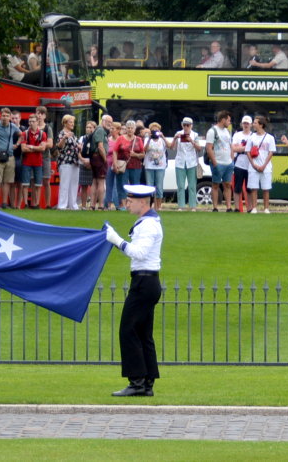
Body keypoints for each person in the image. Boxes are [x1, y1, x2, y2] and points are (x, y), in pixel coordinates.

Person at [104, 184, 163, 397]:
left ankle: (137, 381)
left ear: (143, 202)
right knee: (143, 333)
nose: (127, 203)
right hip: (147, 281)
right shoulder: (148, 222)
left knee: (128, 330)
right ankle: (147, 381)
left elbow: (138, 253)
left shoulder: (148, 225)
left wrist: (116, 240)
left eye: (130, 200)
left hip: (144, 282)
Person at [167, 117, 202, 211]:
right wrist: (175, 139)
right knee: (181, 186)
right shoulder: (178, 134)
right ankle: (181, 205)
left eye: (188, 125)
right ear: (182, 125)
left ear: (191, 126)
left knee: (192, 185)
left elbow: (199, 148)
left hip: (191, 162)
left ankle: (192, 206)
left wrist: (191, 141)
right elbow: (171, 147)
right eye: (184, 125)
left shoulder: (195, 135)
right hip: (180, 162)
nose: (186, 127)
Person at [206, 110, 234, 212]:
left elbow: (230, 145)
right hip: (218, 162)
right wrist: (215, 163)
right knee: (215, 185)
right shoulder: (212, 131)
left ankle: (229, 207)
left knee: (227, 185)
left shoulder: (227, 131)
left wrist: (232, 160)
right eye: (228, 120)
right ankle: (215, 207)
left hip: (228, 163)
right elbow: (209, 148)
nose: (229, 122)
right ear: (223, 120)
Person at [246, 116, 275, 213]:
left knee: (266, 188)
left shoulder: (270, 138)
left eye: (255, 123)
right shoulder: (251, 137)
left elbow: (271, 152)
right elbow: (247, 152)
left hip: (266, 167)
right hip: (253, 167)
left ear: (261, 125)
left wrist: (264, 165)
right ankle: (254, 208)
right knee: (254, 188)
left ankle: (266, 208)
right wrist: (253, 164)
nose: (253, 124)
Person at [54, 114, 81, 210]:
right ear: (65, 123)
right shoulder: (62, 133)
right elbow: (59, 146)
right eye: (71, 122)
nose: (73, 124)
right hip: (65, 161)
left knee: (74, 184)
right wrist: (65, 138)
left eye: (73, 122)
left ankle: (73, 205)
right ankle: (62, 205)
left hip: (75, 161)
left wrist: (79, 147)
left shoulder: (73, 135)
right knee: (65, 184)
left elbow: (76, 147)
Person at [20, 116, 47, 209]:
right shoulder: (24, 134)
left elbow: (43, 148)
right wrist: (36, 148)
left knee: (38, 184)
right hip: (26, 162)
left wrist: (30, 147)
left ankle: (37, 204)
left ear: (37, 122)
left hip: (38, 162)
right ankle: (26, 204)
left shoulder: (42, 134)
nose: (31, 123)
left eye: (33, 121)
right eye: (30, 121)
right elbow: (23, 148)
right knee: (25, 184)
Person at [230, 115, 253, 212]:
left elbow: (254, 149)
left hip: (250, 165)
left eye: (247, 123)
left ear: (251, 125)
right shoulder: (237, 135)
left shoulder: (253, 136)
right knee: (237, 187)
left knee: (249, 188)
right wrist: (246, 148)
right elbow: (233, 148)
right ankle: (237, 208)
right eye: (244, 123)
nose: (246, 125)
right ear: (241, 124)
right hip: (239, 164)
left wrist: (241, 148)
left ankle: (250, 208)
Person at [89, 115, 112, 211]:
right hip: (99, 158)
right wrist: (105, 159)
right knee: (101, 182)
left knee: (95, 181)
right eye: (108, 122)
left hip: (95, 158)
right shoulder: (100, 130)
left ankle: (92, 205)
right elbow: (100, 146)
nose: (109, 124)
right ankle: (101, 205)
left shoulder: (99, 130)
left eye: (111, 122)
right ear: (103, 121)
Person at [143, 123, 167, 211]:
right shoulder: (147, 139)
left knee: (159, 187)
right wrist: (149, 138)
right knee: (150, 186)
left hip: (160, 167)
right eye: (153, 130)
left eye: (156, 130)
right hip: (149, 166)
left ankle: (158, 206)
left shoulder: (162, 140)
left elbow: (170, 146)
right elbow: (144, 150)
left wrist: (163, 136)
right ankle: (149, 206)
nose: (155, 132)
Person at [35, 106, 55, 209]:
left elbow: (50, 144)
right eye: (37, 113)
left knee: (46, 181)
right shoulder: (32, 127)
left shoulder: (48, 128)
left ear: (44, 116)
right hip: (34, 157)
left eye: (40, 114)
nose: (38, 116)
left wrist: (41, 146)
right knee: (35, 181)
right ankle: (35, 203)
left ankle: (47, 204)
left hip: (45, 157)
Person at [78, 121, 97, 210]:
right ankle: (84, 205)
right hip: (83, 163)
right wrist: (82, 160)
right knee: (84, 186)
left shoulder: (96, 139)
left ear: (94, 129)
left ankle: (92, 205)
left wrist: (91, 162)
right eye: (87, 127)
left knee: (93, 186)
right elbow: (78, 151)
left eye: (91, 127)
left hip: (93, 164)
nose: (88, 129)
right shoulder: (82, 138)